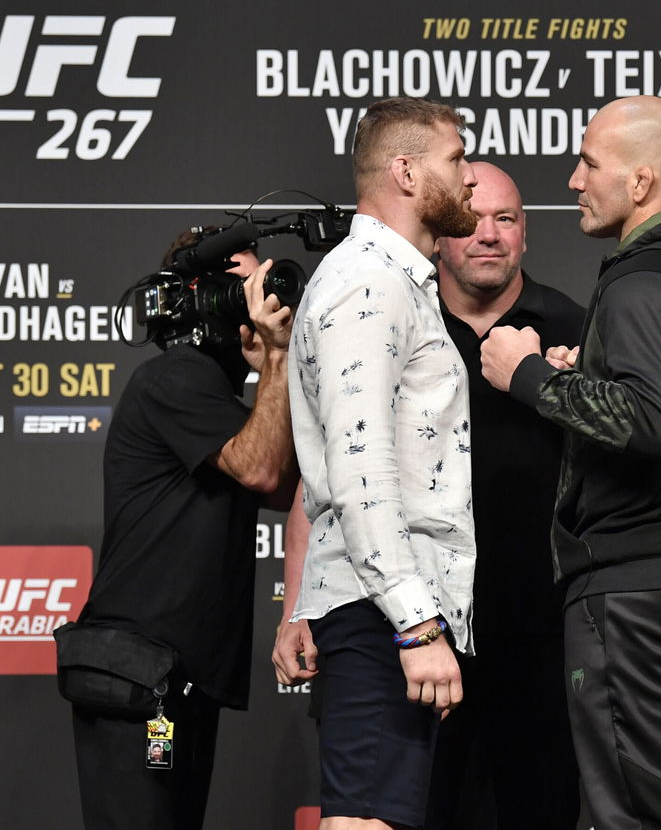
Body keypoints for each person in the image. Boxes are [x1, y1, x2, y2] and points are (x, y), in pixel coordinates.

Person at [480, 96, 661, 830]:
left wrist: (529, 375)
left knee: (636, 817)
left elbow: (655, 421)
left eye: (589, 163)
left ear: (640, 183)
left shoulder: (644, 277)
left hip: (638, 590)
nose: (574, 180)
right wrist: (588, 380)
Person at [283, 96, 478, 830]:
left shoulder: (395, 281)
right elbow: (361, 470)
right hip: (381, 612)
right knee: (364, 823)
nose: (470, 181)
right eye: (456, 160)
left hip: (388, 606)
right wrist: (416, 626)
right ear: (404, 170)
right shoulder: (368, 283)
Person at [70, 229, 297, 830]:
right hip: (140, 677)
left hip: (175, 678)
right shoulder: (175, 376)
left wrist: (278, 368)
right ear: (206, 296)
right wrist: (276, 358)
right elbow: (261, 466)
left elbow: (279, 487)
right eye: (247, 287)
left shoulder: (211, 391)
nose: (263, 303)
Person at [427, 161, 584, 829]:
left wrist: (567, 391)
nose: (488, 235)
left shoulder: (576, 326)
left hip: (546, 632)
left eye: (507, 219)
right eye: (470, 221)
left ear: (526, 234)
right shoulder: (398, 325)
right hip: (422, 632)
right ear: (437, 237)